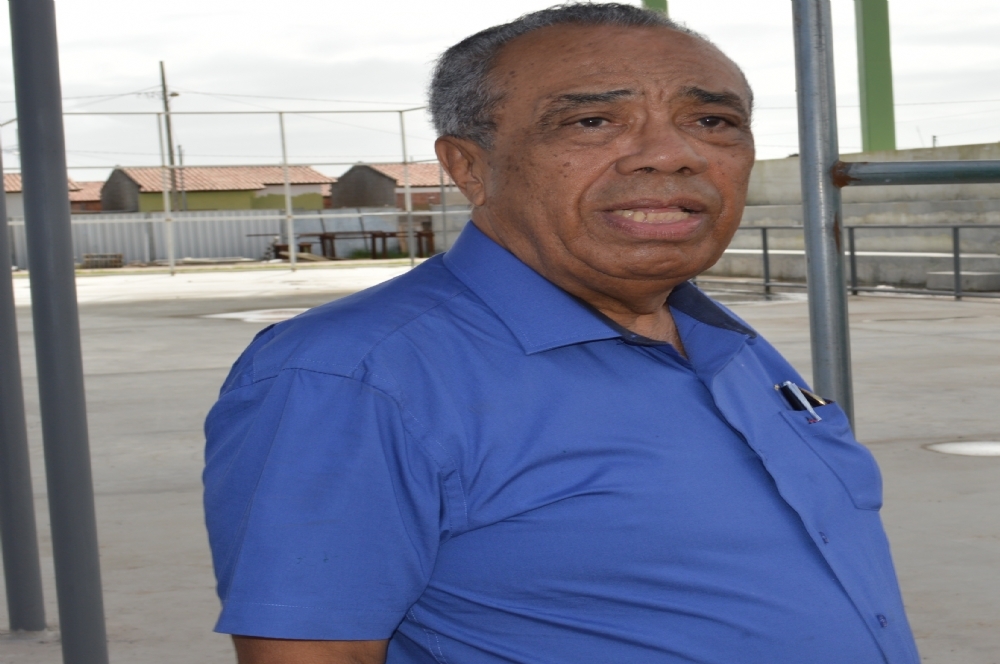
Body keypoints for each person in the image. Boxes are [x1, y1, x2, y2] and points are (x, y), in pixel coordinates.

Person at [203, 4, 920, 663]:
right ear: (469, 167)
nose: (671, 153)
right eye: (593, 122)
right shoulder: (351, 378)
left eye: (711, 121)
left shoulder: (720, 340)